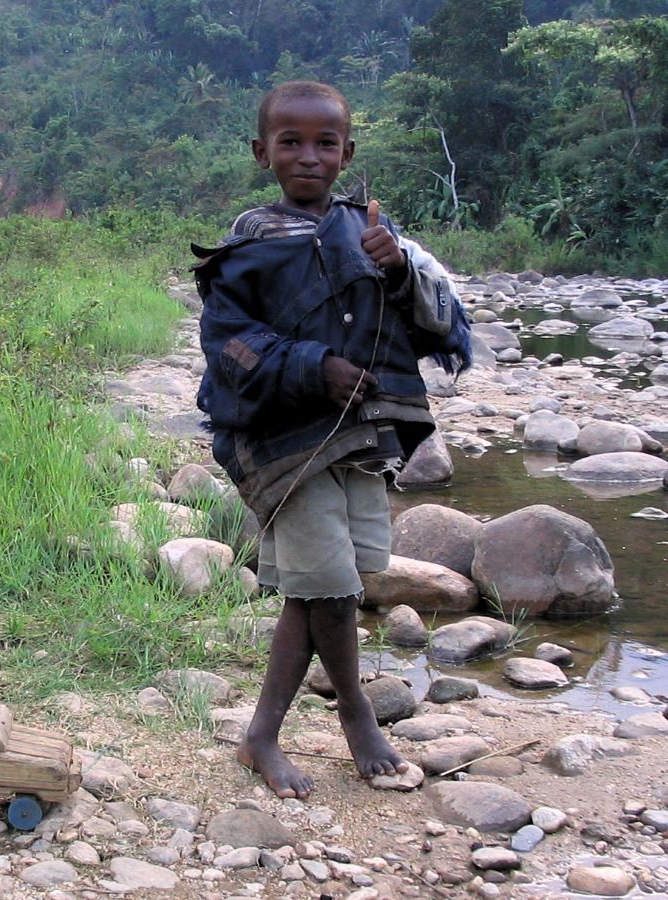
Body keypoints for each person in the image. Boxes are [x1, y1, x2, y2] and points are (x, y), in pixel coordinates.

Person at [194, 81, 468, 799]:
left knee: (319, 590)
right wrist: (315, 367)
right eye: (290, 142)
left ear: (347, 152)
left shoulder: (373, 232)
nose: (307, 156)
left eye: (324, 144)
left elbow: (439, 320)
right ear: (263, 153)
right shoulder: (248, 244)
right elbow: (229, 346)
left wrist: (399, 268)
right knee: (335, 590)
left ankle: (263, 734)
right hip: (286, 443)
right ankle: (354, 716)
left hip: (359, 436)